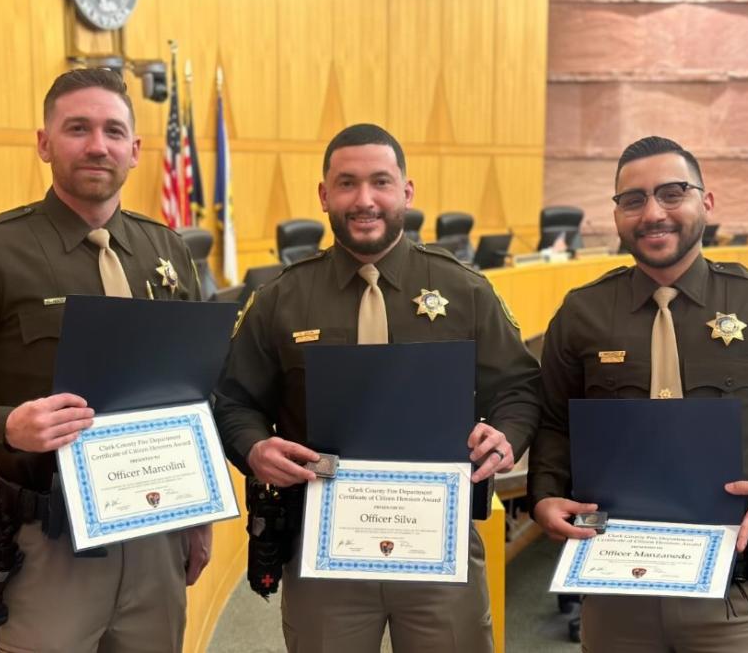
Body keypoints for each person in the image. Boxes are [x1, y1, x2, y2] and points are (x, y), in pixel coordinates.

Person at [0, 68, 211, 653]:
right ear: (45, 143)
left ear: (135, 150)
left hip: (155, 532)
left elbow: (191, 391)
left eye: (112, 130)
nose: (97, 144)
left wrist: (197, 513)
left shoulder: (167, 249)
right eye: (77, 128)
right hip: (44, 541)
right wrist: (6, 425)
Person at [213, 123, 540, 653]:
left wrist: (506, 435)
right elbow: (233, 399)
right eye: (346, 184)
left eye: (380, 183)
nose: (364, 200)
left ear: (406, 192)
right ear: (324, 196)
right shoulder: (281, 299)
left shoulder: (465, 291)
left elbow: (520, 387)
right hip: (322, 550)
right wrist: (253, 447)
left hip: (441, 544)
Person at [528, 135, 748, 652]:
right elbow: (552, 421)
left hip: (730, 596)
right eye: (632, 200)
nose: (652, 212)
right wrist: (544, 494)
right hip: (616, 591)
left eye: (671, 193)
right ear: (616, 216)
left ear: (705, 202)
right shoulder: (582, 313)